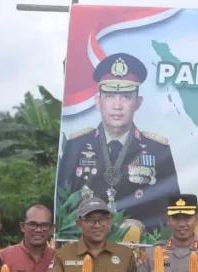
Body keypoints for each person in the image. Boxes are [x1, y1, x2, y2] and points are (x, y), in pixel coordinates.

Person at [56, 53, 180, 233]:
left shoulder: (158, 150)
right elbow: (61, 206)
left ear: (138, 103)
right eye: (109, 96)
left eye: (126, 97)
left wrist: (141, 228)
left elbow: (172, 211)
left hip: (139, 245)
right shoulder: (76, 145)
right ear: (98, 101)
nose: (117, 106)